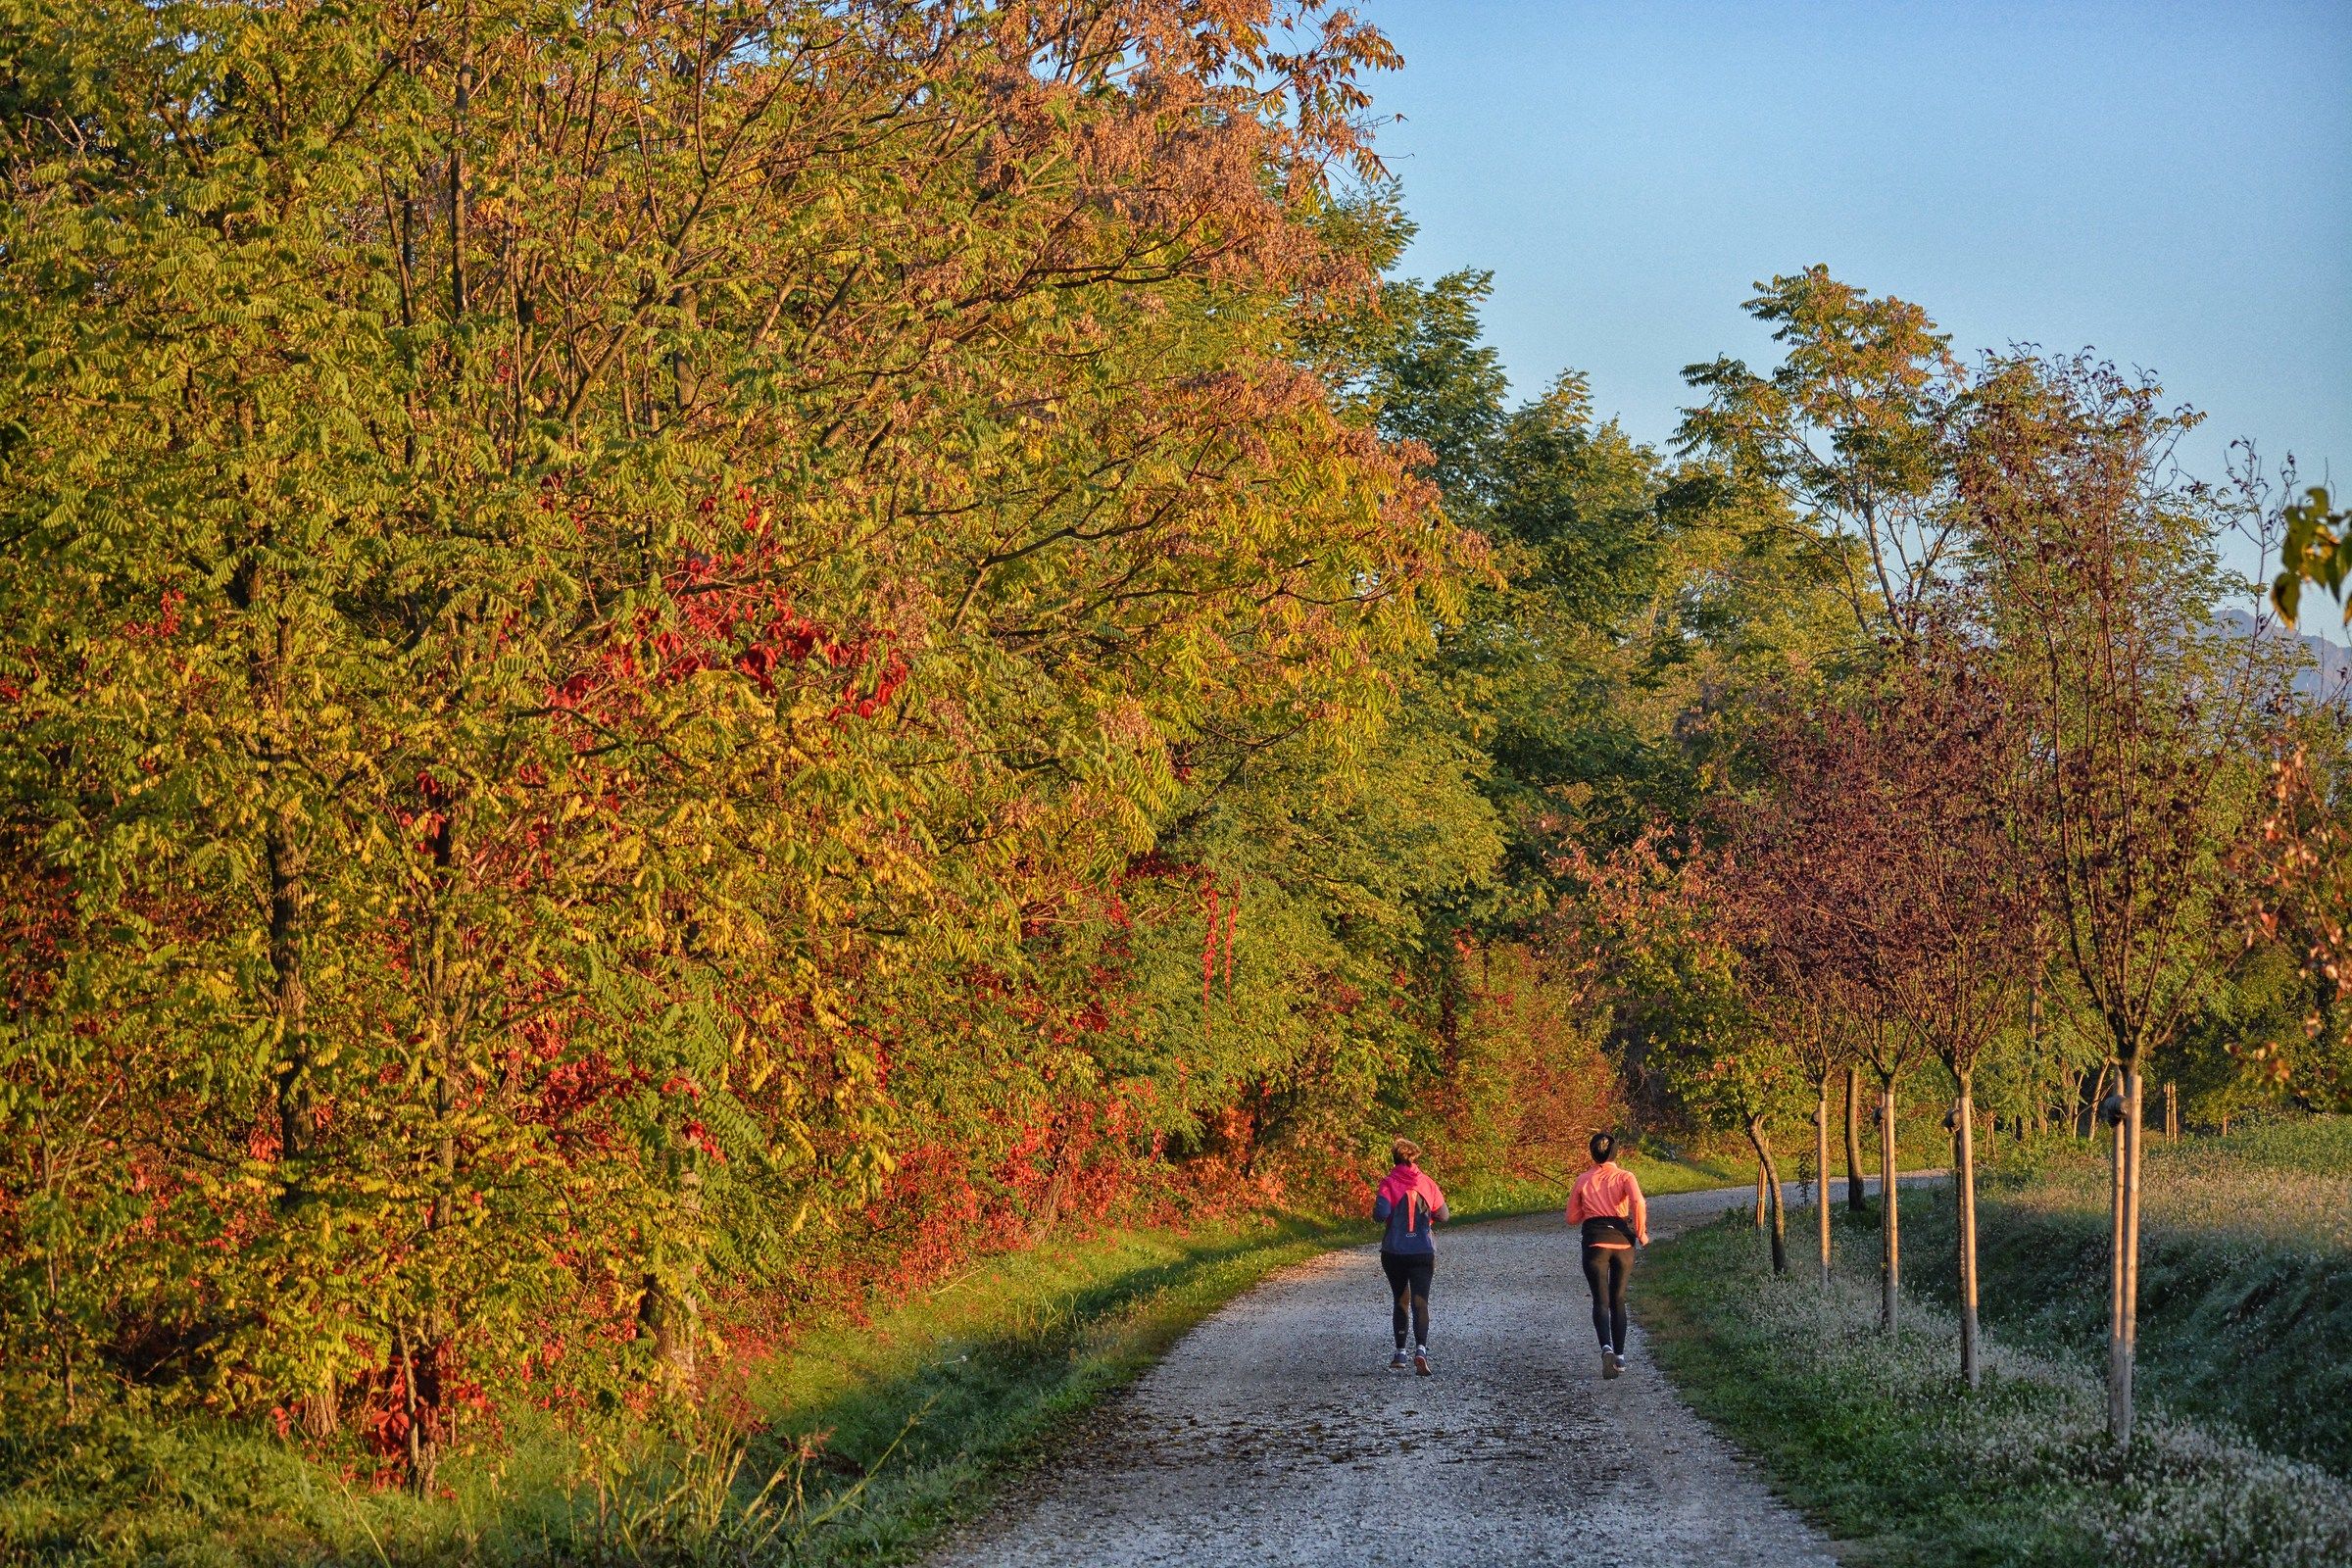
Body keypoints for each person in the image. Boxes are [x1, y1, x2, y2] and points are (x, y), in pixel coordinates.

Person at [1565, 1131, 1648, 1379]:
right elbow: (1639, 1202)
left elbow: (1571, 1218)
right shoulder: (1625, 1176)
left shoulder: (1583, 1179)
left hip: (1595, 1243)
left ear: (1592, 1153)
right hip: (1623, 1242)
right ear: (1616, 1152)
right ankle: (1621, 1358)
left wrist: (1589, 1212)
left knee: (1600, 1300)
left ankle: (1606, 1349)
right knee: (1618, 1299)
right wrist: (1641, 1233)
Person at [1372, 1137, 1448, 1375]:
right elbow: (1444, 1215)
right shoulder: (1427, 1183)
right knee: (1420, 1301)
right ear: (1415, 1159)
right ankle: (1421, 1351)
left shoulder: (1388, 1183)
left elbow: (1380, 1214)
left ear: (1394, 1159)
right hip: (1422, 1251)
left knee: (1400, 1299)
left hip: (1394, 1251)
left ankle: (1400, 1353)